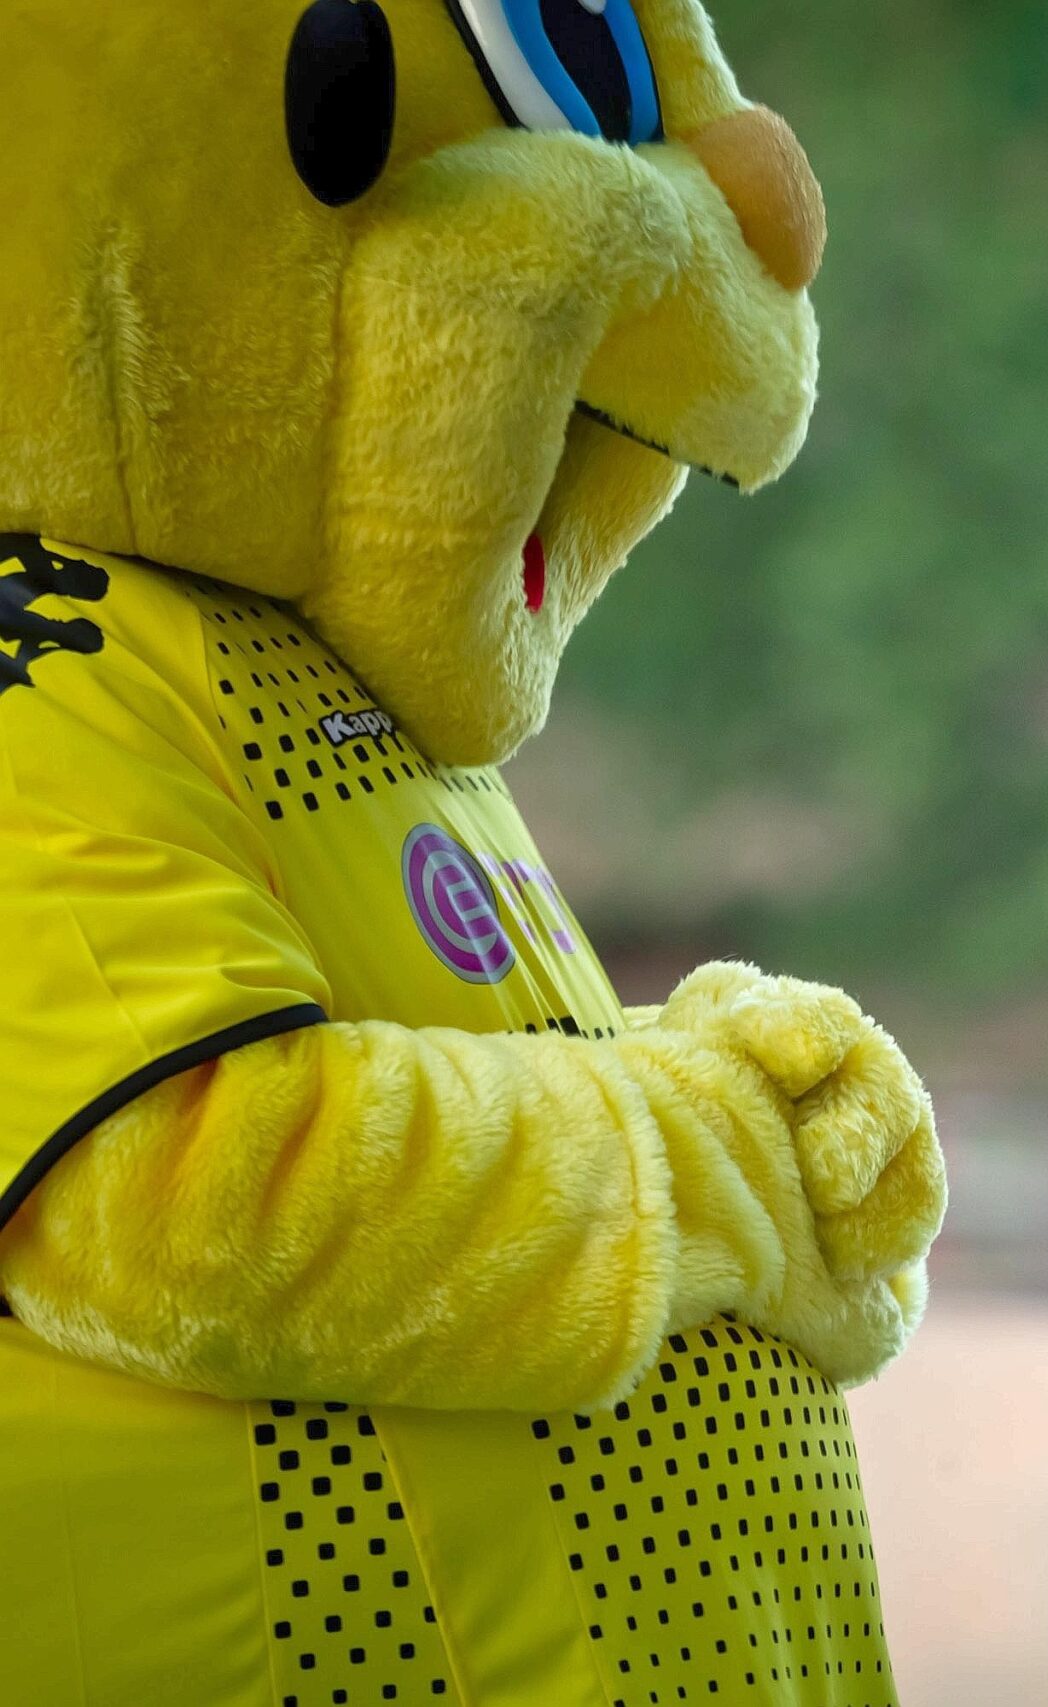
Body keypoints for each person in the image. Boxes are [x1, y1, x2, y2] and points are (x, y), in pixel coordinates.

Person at [0, 2, 941, 1702]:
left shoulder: (296, 670)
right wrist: (722, 1160)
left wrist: (733, 1098)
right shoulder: (39, 667)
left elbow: (440, 1104)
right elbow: (193, 1187)